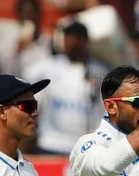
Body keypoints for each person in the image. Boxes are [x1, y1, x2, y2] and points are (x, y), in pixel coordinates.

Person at [24, 21, 109, 155]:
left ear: (84, 41)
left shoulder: (100, 70)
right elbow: (25, 77)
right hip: (51, 143)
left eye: (72, 37)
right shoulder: (48, 65)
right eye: (66, 37)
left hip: (86, 147)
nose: (67, 42)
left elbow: (105, 108)